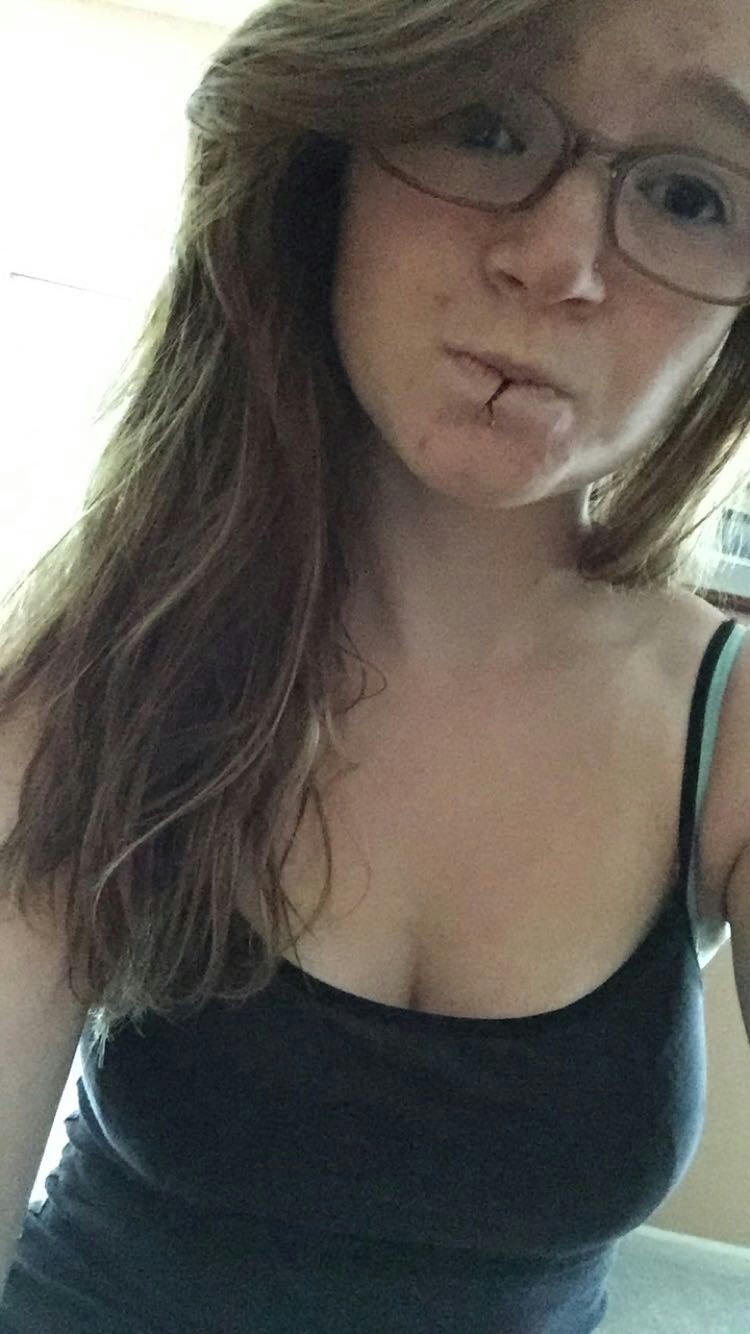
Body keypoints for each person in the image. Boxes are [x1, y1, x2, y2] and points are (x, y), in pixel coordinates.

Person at [1, 0, 749, 1330]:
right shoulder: (110, 665)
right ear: (329, 156)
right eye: (485, 127)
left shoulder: (730, 725)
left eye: (690, 197)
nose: (557, 261)